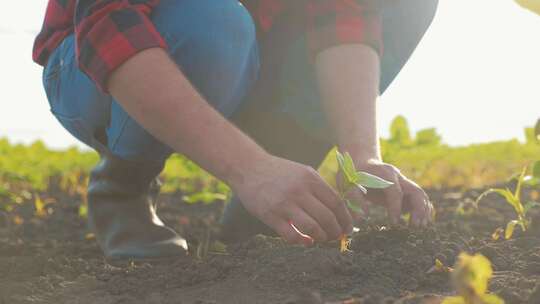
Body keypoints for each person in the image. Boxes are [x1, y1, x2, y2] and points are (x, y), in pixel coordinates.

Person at [33, 0, 437, 260]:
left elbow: (341, 16)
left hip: (245, 58)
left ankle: (273, 201)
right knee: (215, 22)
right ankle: (124, 183)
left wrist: (362, 155)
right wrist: (251, 170)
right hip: (93, 64)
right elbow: (109, 27)